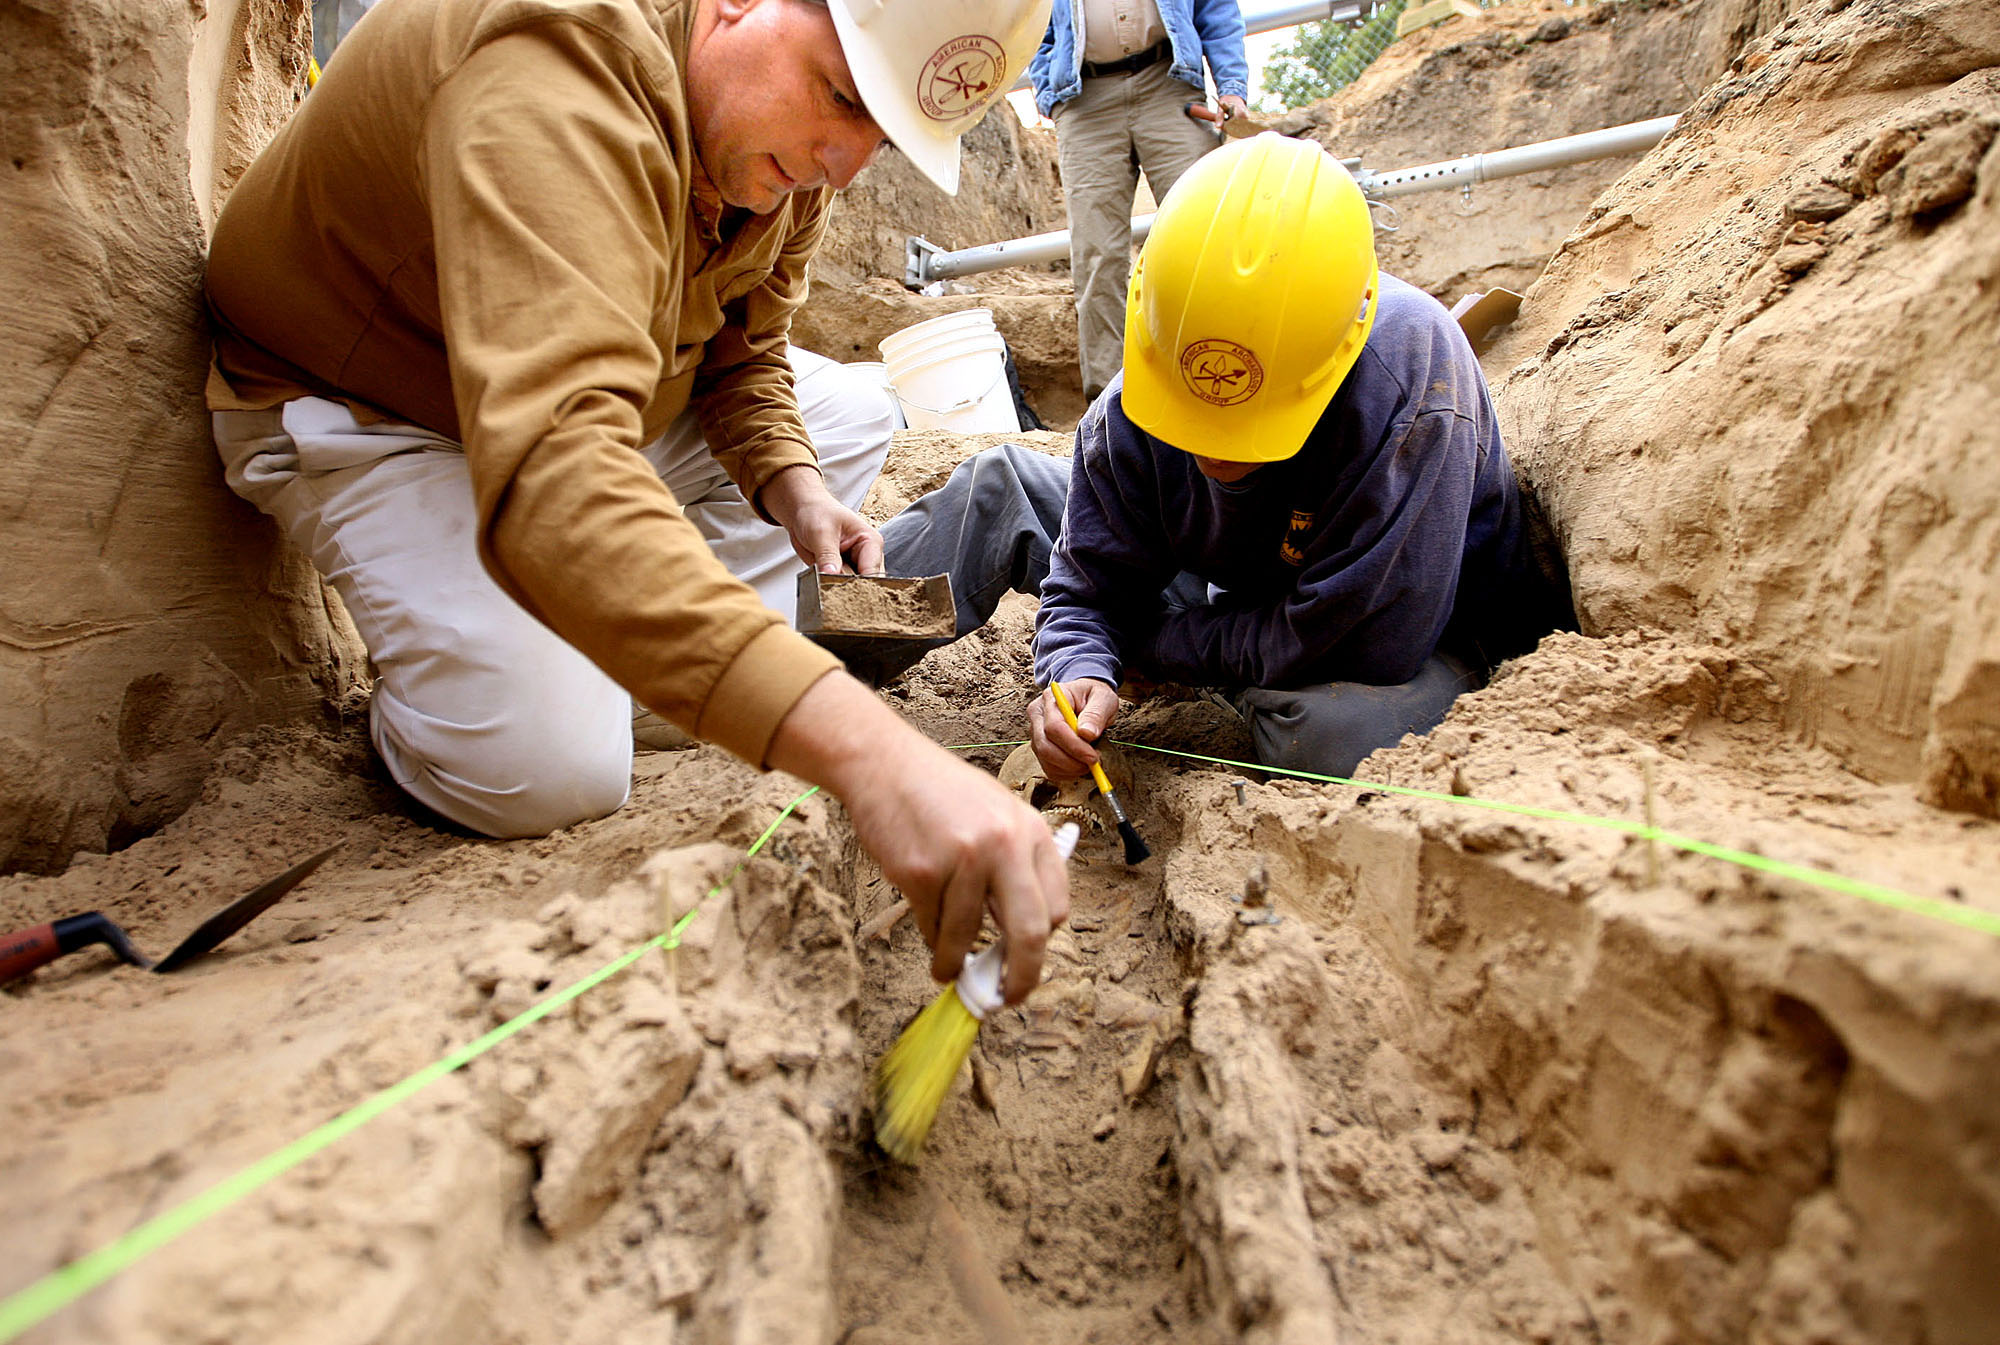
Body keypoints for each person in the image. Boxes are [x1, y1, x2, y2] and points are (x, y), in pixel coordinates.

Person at [204, 0, 1068, 1003]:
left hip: (588, 395)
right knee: (553, 768)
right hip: (379, 405)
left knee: (855, 415)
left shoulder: (768, 135)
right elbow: (556, 472)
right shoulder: (558, 61)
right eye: (840, 99)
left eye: (878, 136)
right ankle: (464, 685)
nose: (841, 163)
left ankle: (629, 652)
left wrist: (795, 494)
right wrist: (874, 761)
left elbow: (742, 357)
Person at [1027, 133, 1575, 785]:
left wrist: (1158, 646)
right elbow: (1084, 586)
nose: (1210, 453)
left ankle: (1250, 672)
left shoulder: (1411, 387)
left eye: (1246, 431)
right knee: (1003, 487)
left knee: (1323, 739)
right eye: (1191, 416)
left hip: (1410, 631)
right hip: (1249, 597)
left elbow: (1368, 644)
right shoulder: (1141, 389)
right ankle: (1244, 666)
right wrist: (1079, 665)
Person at [1028, 0, 1249, 402]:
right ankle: (1110, 407)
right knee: (1097, 255)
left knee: (1206, 240)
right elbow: (1026, 25)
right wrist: (1049, 93)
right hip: (1083, 101)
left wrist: (1231, 87)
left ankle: (1222, 383)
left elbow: (1216, 9)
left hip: (1168, 83)